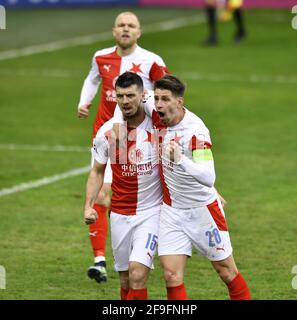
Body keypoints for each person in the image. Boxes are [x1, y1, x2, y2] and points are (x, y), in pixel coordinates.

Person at [113, 74, 251, 300]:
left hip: (202, 210)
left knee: (226, 271)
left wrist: (180, 159)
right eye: (157, 98)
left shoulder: (195, 133)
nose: (158, 104)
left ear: (179, 102)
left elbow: (208, 177)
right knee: (171, 275)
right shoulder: (155, 109)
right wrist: (118, 124)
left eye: (165, 99)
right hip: (171, 211)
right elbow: (128, 100)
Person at [77, 11, 169, 283]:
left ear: (139, 32)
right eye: (121, 25)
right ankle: (99, 260)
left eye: (131, 26)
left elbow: (167, 92)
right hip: (109, 138)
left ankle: (157, 242)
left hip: (144, 138)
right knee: (103, 196)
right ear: (114, 30)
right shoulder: (100, 57)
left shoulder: (152, 60)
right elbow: (92, 79)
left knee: (153, 191)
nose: (126, 29)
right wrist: (84, 102)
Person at [84, 72, 162, 300]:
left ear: (143, 95)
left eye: (130, 95)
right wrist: (88, 206)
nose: (125, 101)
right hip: (119, 213)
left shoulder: (158, 126)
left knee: (138, 274)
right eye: (120, 96)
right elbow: (97, 171)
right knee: (126, 279)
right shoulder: (107, 132)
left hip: (151, 213)